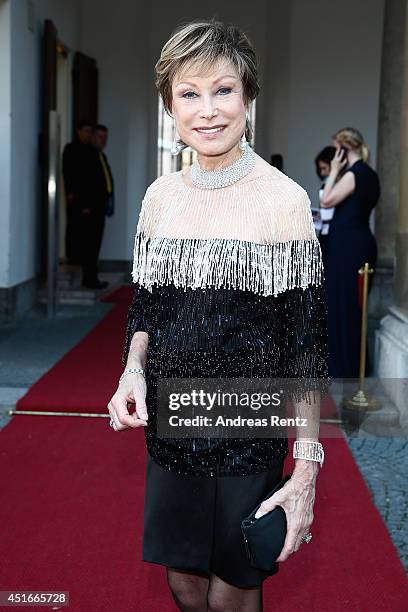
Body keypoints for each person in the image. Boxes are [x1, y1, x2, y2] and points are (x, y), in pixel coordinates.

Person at [107, 20, 329, 612]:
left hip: (247, 421)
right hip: (172, 416)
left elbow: (306, 343)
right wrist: (133, 371)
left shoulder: (282, 200)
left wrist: (305, 470)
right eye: (189, 93)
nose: (208, 111)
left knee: (235, 585)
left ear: (248, 97)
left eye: (223, 90)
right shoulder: (161, 197)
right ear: (170, 106)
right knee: (182, 579)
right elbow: (148, 302)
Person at [320, 127, 380, 378]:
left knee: (342, 303)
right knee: (353, 304)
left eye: (336, 148)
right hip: (359, 241)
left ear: (344, 147)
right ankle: (353, 365)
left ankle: (344, 366)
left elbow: (326, 200)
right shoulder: (371, 174)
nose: (335, 154)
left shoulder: (354, 174)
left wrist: (333, 171)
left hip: (347, 245)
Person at [79, 125, 113, 289]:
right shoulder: (87, 155)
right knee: (90, 244)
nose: (103, 140)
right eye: (100, 137)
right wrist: (85, 205)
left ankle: (92, 277)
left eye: (105, 137)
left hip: (99, 207)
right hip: (90, 208)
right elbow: (83, 181)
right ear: (93, 137)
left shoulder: (101, 156)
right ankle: (89, 279)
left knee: (95, 243)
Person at [62, 120, 93, 265]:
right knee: (73, 227)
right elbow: (67, 172)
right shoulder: (71, 149)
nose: (88, 134)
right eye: (85, 131)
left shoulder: (91, 150)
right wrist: (69, 192)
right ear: (78, 131)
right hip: (75, 196)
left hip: (88, 196)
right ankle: (72, 257)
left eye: (89, 131)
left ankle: (82, 257)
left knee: (86, 230)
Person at [314, 146, 337, 268]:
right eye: (320, 169)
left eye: (324, 168)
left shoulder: (339, 187)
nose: (322, 173)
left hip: (334, 237)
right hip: (325, 236)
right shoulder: (325, 186)